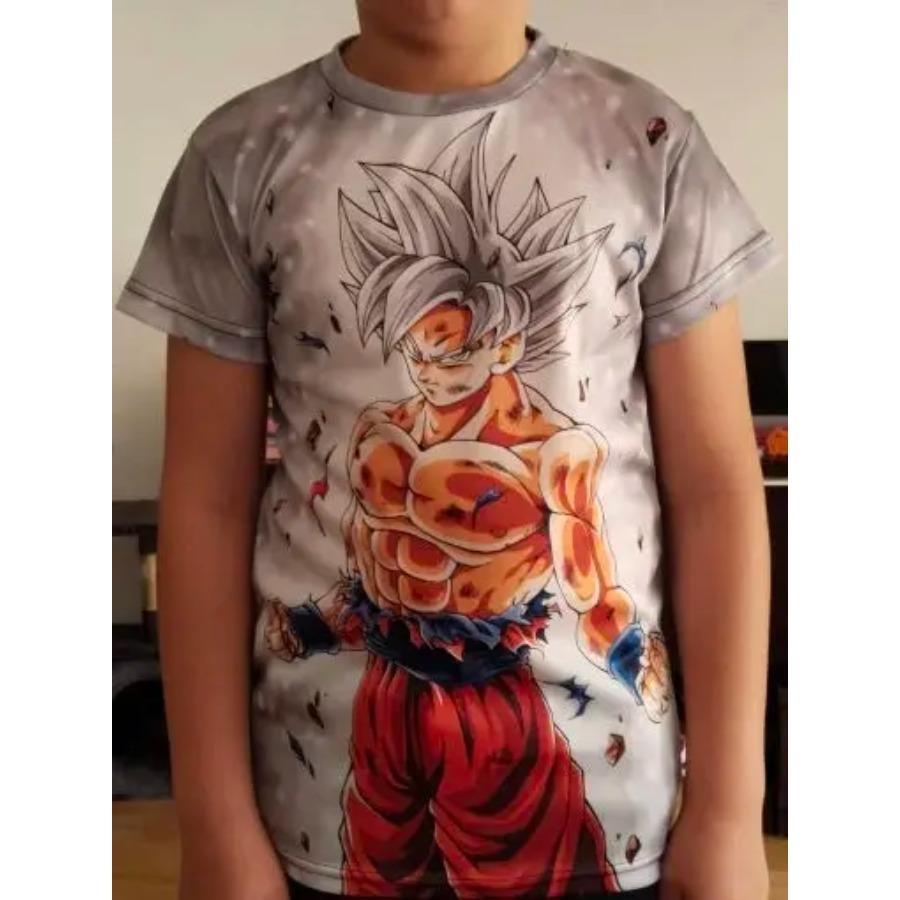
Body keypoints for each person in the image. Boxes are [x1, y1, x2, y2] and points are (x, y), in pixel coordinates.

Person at [116, 2, 777, 898]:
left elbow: (715, 495)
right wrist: (212, 819)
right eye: (418, 350)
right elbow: (209, 507)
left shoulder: (650, 144)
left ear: (502, 344)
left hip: (583, 786)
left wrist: (731, 812)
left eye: (452, 349)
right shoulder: (239, 159)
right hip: (327, 782)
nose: (430, 368)